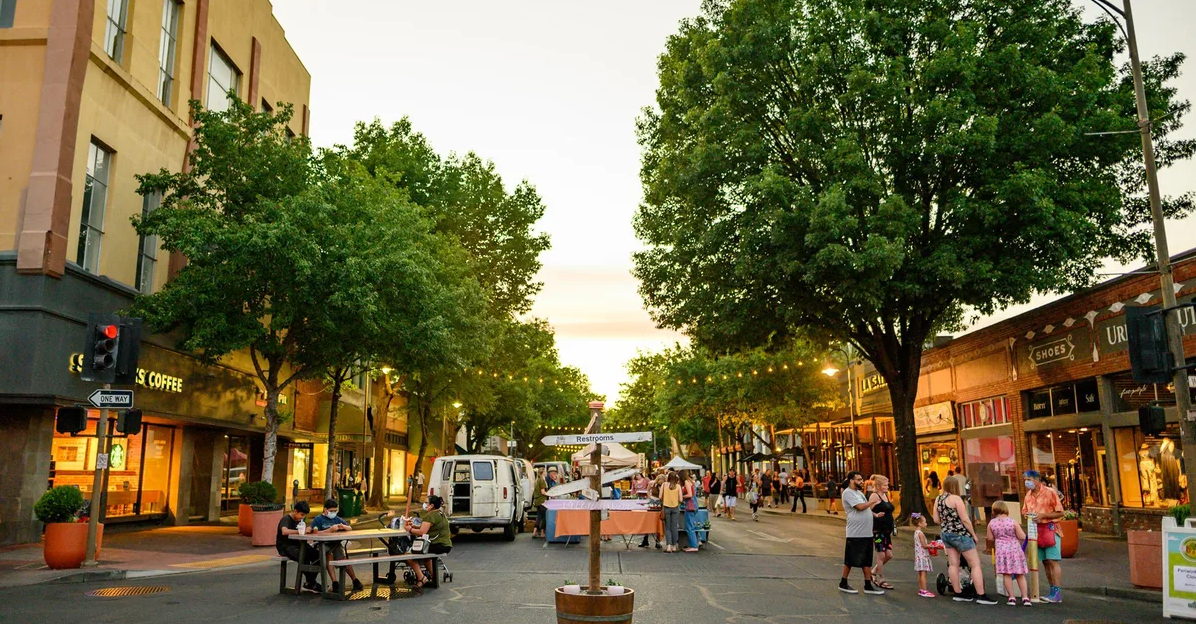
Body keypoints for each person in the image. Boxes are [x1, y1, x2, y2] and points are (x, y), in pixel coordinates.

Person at [933, 474, 997, 604]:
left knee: (953, 564)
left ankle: (958, 592)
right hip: (960, 534)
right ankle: (981, 595)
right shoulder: (956, 499)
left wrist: (947, 524)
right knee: (975, 564)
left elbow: (936, 519)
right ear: (955, 486)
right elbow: (965, 519)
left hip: (946, 533)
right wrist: (973, 534)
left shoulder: (938, 499)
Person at [1022, 469, 1065, 603]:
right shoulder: (1028, 496)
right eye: (1025, 480)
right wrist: (1028, 516)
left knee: (1052, 560)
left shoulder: (1049, 492)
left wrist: (1043, 515)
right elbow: (1024, 511)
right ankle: (1052, 590)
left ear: (1036, 480)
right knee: (1045, 561)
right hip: (1036, 530)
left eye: (1028, 479)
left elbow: (1060, 512)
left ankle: (1057, 592)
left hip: (1050, 528)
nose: (1026, 482)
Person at [839, 471, 883, 595]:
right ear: (851, 480)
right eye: (858, 479)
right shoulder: (848, 493)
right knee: (851, 559)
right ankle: (843, 582)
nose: (861, 481)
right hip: (855, 532)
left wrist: (874, 514)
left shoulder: (859, 493)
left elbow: (866, 509)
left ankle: (867, 584)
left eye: (861, 479)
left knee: (867, 559)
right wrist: (873, 501)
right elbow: (860, 507)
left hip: (866, 531)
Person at [311, 498, 364, 593]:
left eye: (335, 511)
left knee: (342, 558)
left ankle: (355, 580)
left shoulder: (337, 519)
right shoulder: (318, 519)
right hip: (322, 545)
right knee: (329, 554)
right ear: (325, 509)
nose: (333, 513)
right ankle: (335, 582)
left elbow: (350, 528)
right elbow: (314, 533)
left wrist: (343, 527)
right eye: (331, 511)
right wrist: (329, 530)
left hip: (335, 544)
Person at [987, 501, 1031, 607]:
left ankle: (1011, 597)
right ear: (1006, 509)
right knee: (1020, 575)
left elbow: (990, 538)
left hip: (1001, 551)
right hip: (1015, 549)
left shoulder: (991, 523)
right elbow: (1021, 536)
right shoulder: (1012, 521)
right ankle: (1025, 597)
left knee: (1007, 575)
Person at [404, 494, 452, 591]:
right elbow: (428, 527)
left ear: (432, 505)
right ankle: (434, 578)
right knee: (426, 558)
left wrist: (410, 529)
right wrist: (414, 527)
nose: (424, 504)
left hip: (438, 544)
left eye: (426, 503)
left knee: (408, 556)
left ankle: (421, 578)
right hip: (446, 545)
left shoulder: (430, 516)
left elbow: (422, 532)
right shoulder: (440, 514)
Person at [276, 500, 322, 593]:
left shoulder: (300, 522)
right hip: (286, 546)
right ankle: (312, 583)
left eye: (304, 515)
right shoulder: (286, 519)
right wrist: (300, 531)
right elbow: (284, 531)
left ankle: (310, 582)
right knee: (303, 557)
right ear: (295, 511)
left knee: (318, 556)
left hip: (299, 544)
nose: (302, 517)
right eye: (301, 514)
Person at [868, 474, 895, 590]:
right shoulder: (874, 496)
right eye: (885, 485)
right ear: (878, 486)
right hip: (878, 530)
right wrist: (876, 515)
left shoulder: (885, 495)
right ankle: (881, 579)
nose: (887, 486)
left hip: (887, 530)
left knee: (889, 555)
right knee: (881, 554)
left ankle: (873, 571)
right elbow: (866, 511)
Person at [911, 513, 935, 598]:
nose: (926, 523)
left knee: (920, 573)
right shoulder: (920, 533)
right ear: (919, 523)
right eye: (925, 522)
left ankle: (921, 589)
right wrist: (933, 545)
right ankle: (924, 590)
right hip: (923, 556)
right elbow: (924, 545)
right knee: (924, 573)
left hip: (918, 555)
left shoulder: (916, 532)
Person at [662, 471, 682, 552]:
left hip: (666, 507)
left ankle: (668, 546)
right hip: (675, 507)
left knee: (668, 528)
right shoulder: (678, 486)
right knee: (674, 527)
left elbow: (660, 496)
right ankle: (674, 546)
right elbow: (681, 499)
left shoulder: (664, 485)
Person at [682, 471, 701, 552]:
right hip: (694, 504)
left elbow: (689, 494)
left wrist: (682, 496)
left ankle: (694, 546)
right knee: (692, 525)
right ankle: (694, 544)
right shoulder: (690, 481)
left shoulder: (686, 482)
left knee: (689, 527)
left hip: (690, 505)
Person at [532, 467, 549, 538]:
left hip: (538, 501)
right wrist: (549, 494)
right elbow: (543, 492)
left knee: (539, 517)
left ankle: (534, 532)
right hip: (542, 501)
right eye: (545, 472)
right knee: (544, 517)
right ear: (543, 473)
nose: (546, 473)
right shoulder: (542, 480)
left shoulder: (537, 480)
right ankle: (542, 533)